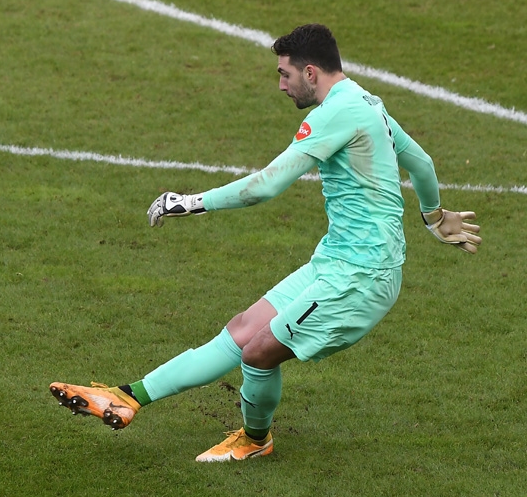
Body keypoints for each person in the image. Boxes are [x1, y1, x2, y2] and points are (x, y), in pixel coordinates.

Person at [49, 23, 481, 462]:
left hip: (362, 279)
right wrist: (433, 216)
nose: (280, 85)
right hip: (335, 262)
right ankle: (126, 396)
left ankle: (256, 441)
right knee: (242, 330)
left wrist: (191, 202)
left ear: (310, 72)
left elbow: (265, 187)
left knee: (258, 354)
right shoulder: (367, 103)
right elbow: (421, 163)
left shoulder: (334, 113)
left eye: (284, 74)